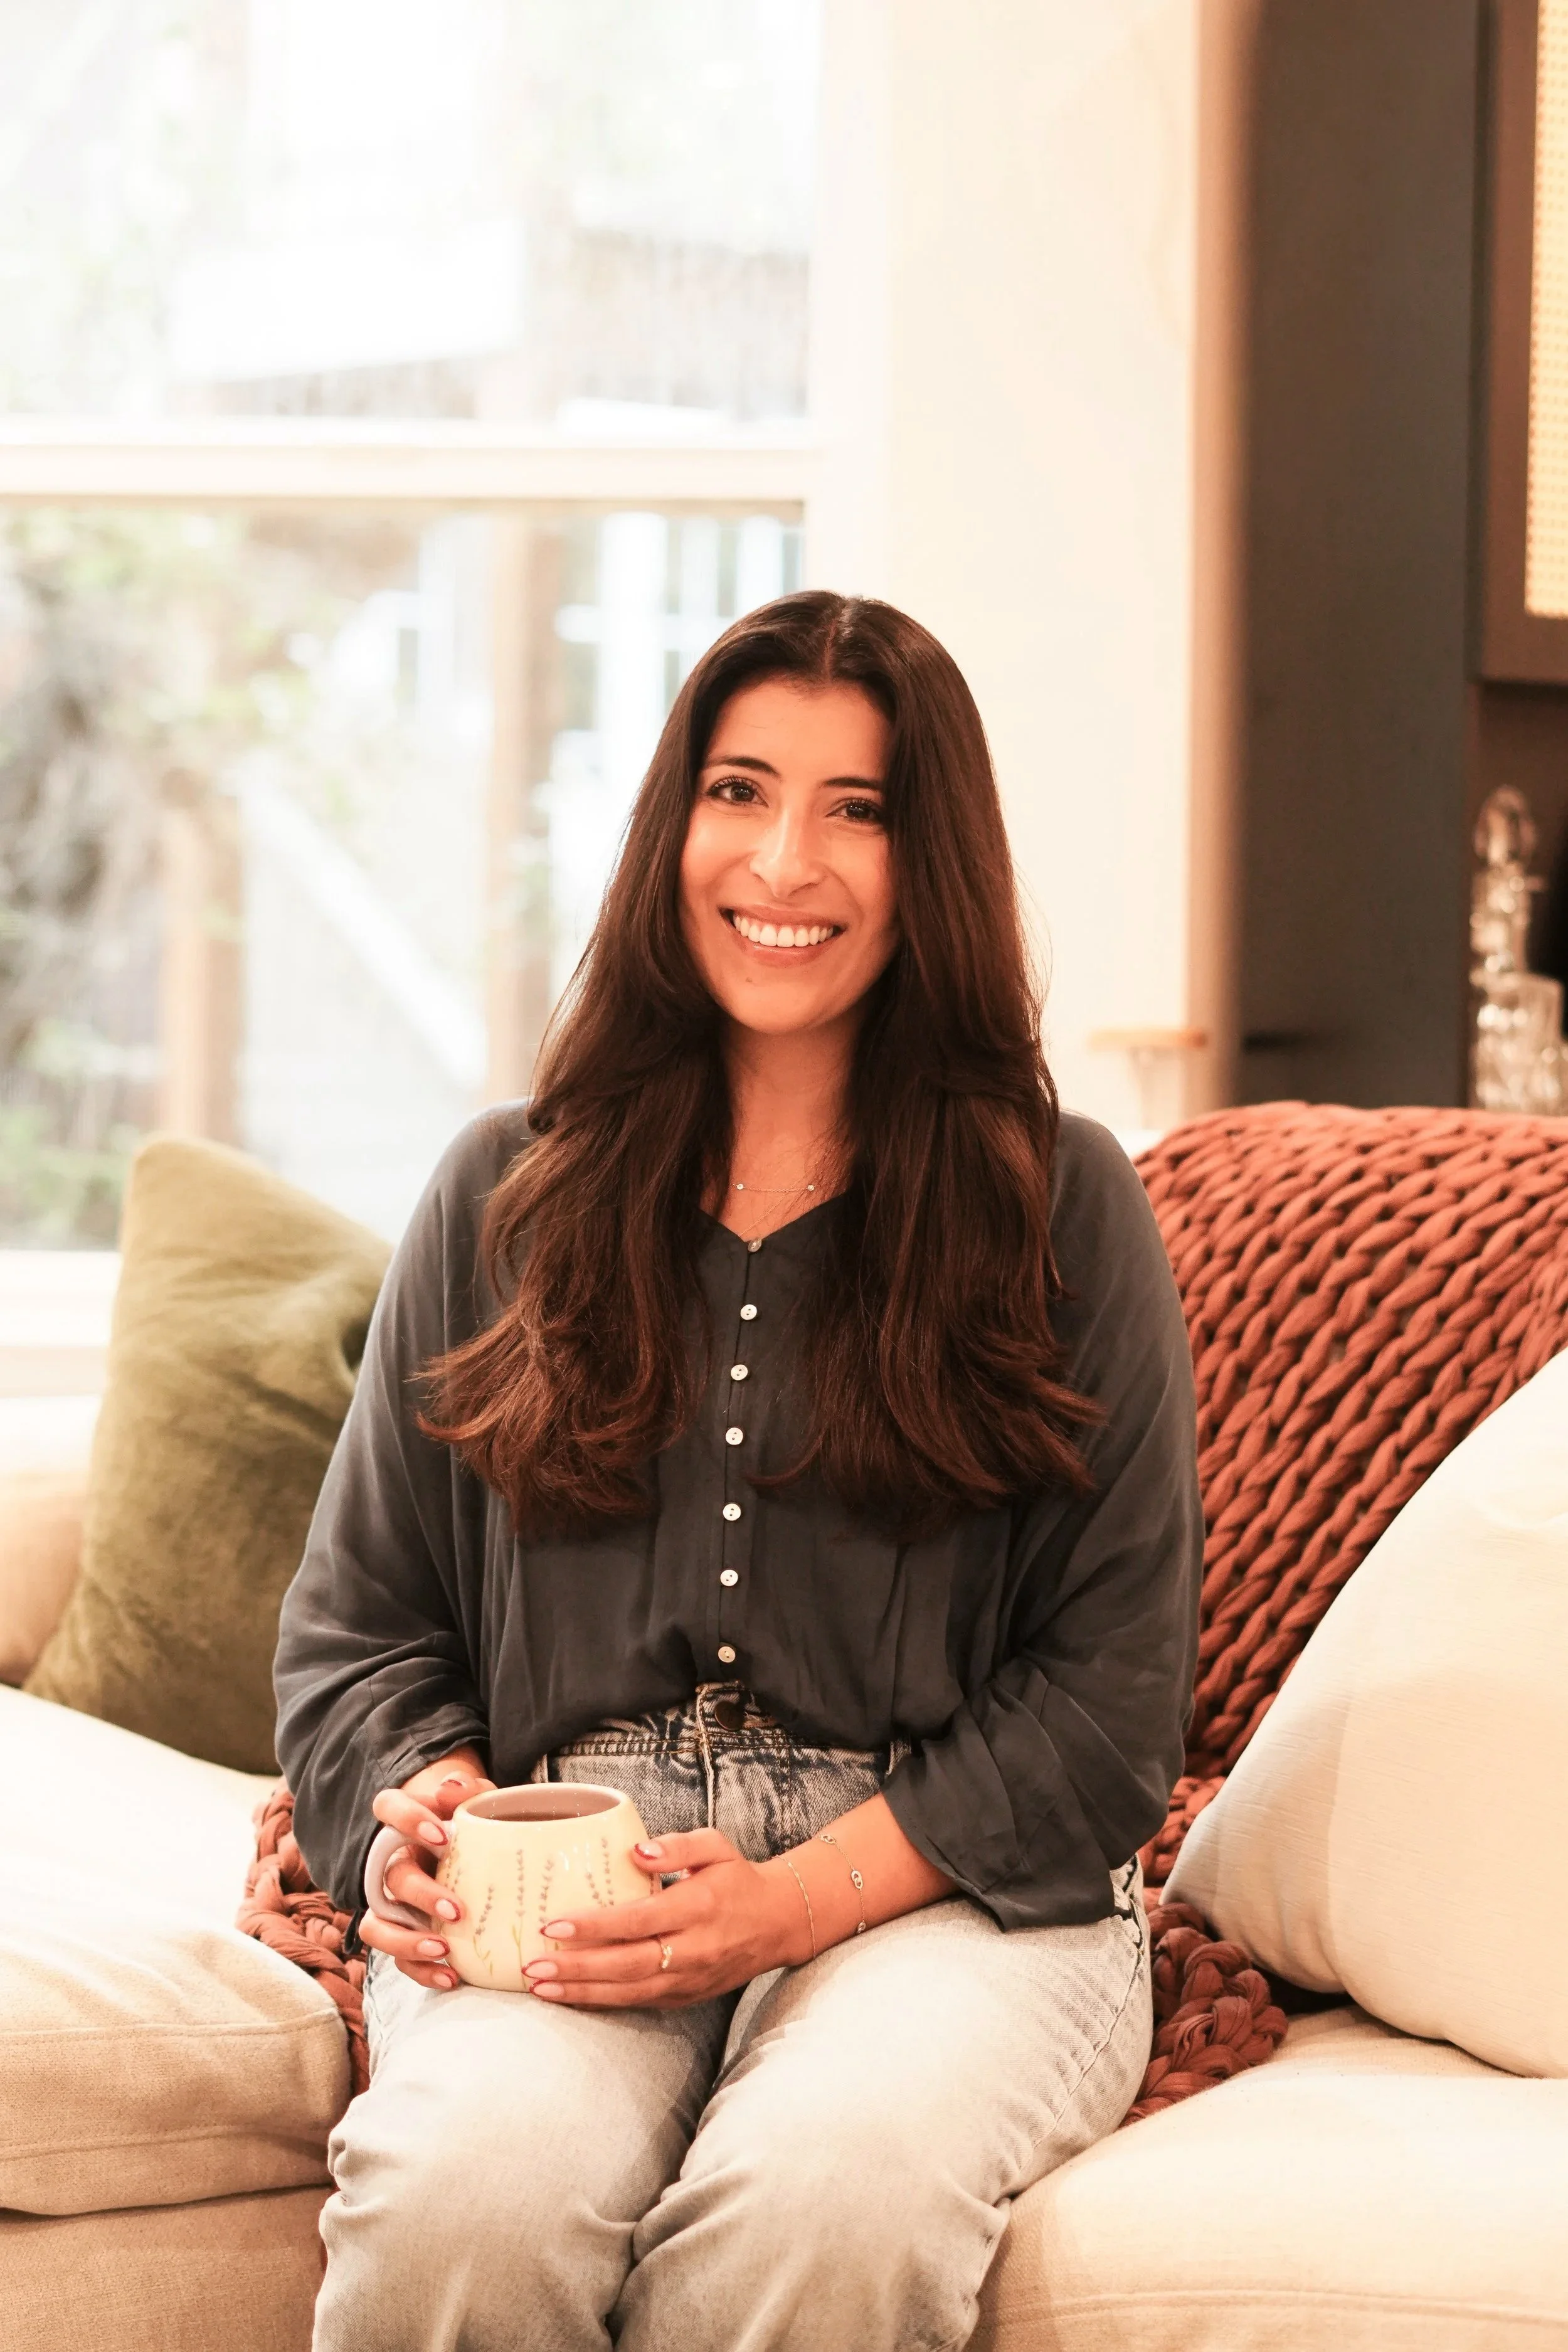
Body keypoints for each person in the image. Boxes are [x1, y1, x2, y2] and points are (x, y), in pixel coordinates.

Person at [275, 590, 1202, 2352]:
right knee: (457, 2203)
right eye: (738, 789)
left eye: (858, 808)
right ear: (669, 827)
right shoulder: (501, 1194)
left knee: (820, 2205)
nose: (785, 858)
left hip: (946, 1894)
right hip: (578, 1884)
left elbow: (1109, 1702)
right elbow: (359, 1632)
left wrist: (791, 1897)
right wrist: (431, 1811)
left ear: (932, 861)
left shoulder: (1063, 1205)